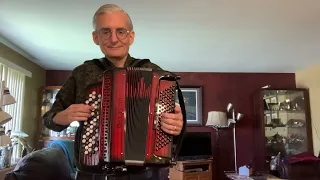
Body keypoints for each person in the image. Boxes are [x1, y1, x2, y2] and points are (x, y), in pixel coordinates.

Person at [42, 4, 186, 180]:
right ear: (96, 37)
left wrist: (175, 125)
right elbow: (49, 120)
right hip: (93, 173)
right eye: (105, 32)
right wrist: (61, 117)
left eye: (121, 31)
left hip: (145, 174)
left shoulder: (154, 73)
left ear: (131, 36)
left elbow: (171, 129)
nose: (114, 39)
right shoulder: (82, 73)